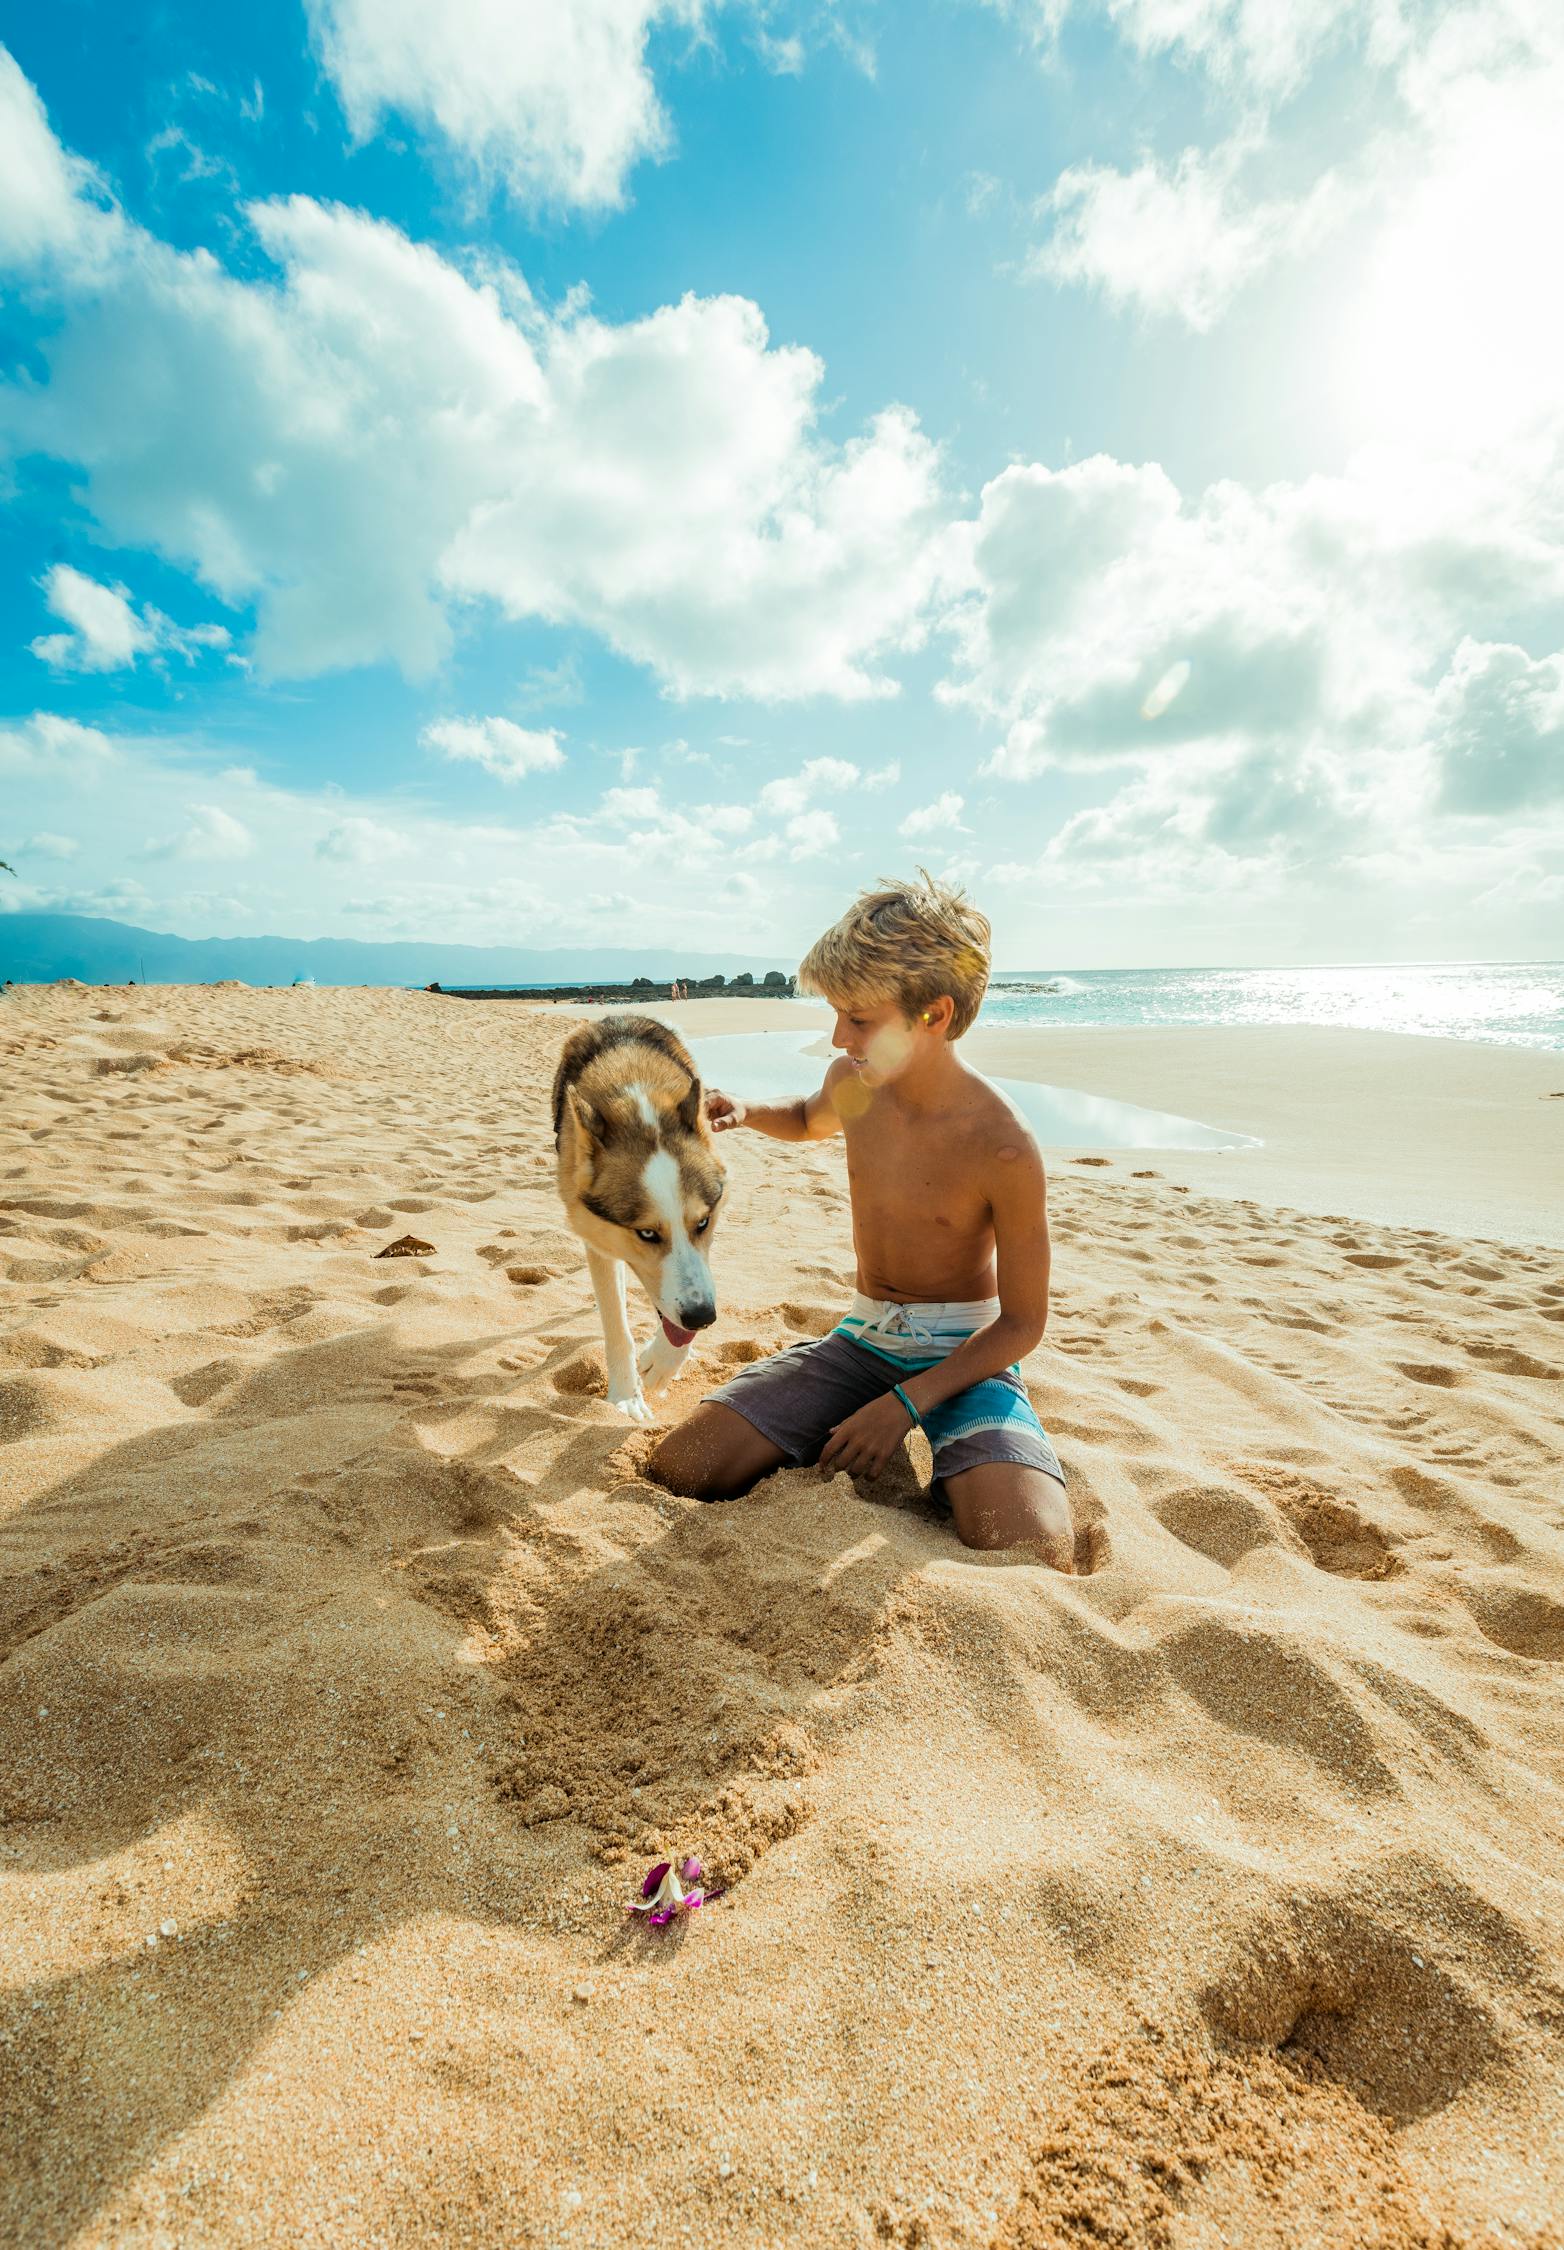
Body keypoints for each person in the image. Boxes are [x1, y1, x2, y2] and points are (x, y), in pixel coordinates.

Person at [647, 873, 1073, 1566]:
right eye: (837, 1015)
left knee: (1031, 1545)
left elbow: (1023, 1323)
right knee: (684, 1467)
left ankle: (957, 1446)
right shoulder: (854, 1084)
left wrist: (905, 1405)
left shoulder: (1001, 1144)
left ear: (932, 1016)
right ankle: (820, 1410)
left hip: (962, 1358)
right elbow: (811, 1119)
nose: (839, 1036)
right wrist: (749, 1110)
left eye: (860, 1019)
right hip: (864, 1339)